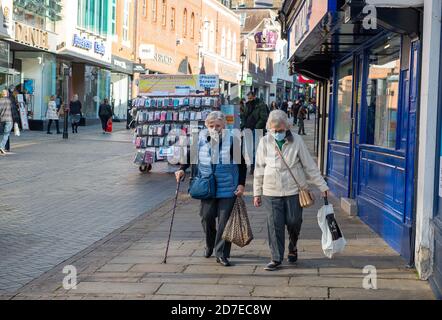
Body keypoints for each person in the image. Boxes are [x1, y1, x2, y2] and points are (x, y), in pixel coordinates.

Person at [254, 110, 329, 271]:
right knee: (275, 225)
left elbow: (310, 166)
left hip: (294, 190)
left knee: (294, 221)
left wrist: (322, 186)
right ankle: (276, 258)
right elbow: (259, 168)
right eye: (274, 130)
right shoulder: (265, 141)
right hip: (270, 190)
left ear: (287, 127)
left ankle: (293, 244)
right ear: (269, 128)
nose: (277, 133)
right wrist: (256, 192)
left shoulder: (297, 140)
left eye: (280, 130)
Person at [175, 111, 247, 267]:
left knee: (224, 221)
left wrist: (241, 184)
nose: (215, 129)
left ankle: (221, 254)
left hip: (228, 187)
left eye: (218, 126)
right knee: (206, 217)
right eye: (212, 126)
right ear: (206, 126)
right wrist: (182, 169)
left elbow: (242, 164)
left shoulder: (233, 140)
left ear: (224, 126)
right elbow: (190, 157)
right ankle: (210, 243)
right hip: (207, 185)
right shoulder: (199, 139)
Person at [241, 91, 269, 175]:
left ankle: (255, 166)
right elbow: (244, 117)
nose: (249, 100)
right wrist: (242, 126)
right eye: (248, 98)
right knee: (250, 149)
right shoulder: (247, 105)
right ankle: (253, 165)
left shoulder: (261, 105)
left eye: (250, 98)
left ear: (254, 97)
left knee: (256, 149)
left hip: (257, 130)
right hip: (248, 129)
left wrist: (257, 127)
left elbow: (264, 118)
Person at [0, 90, 13, 155]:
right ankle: (1, 147)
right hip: (9, 119)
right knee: (6, 134)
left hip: (2, 119)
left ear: (2, 94)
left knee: (1, 134)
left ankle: (2, 147)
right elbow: (14, 111)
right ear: (7, 94)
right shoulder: (10, 101)